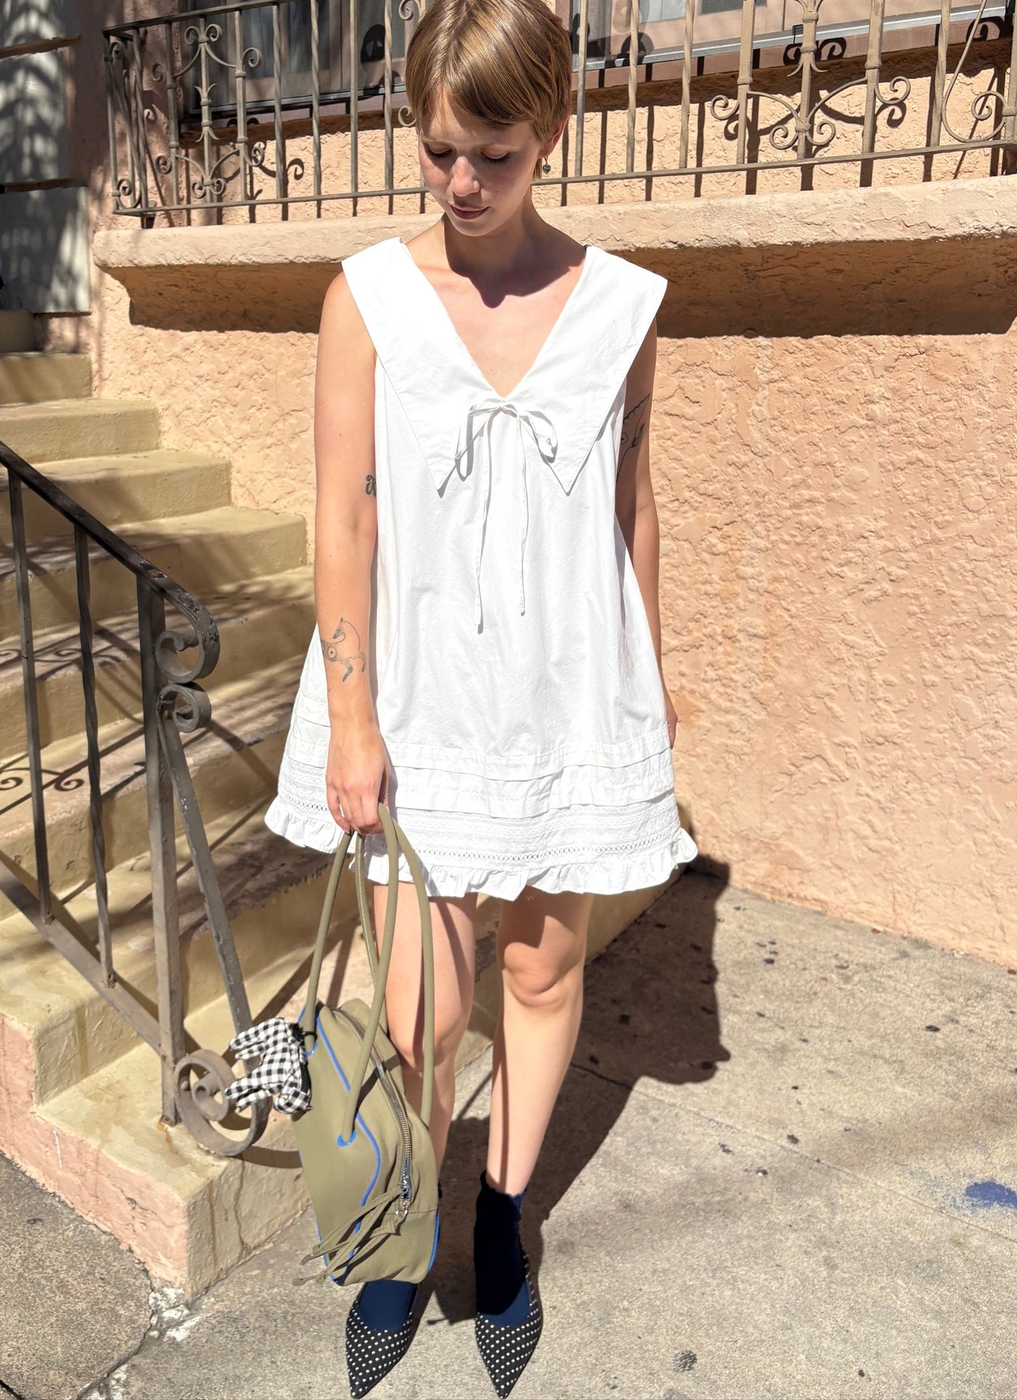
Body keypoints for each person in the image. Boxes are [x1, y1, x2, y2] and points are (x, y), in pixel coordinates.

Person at [265, 0, 698, 1391]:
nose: (460, 181)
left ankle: (503, 1226)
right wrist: (348, 720)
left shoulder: (621, 308)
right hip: (419, 700)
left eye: (493, 154)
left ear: (553, 130)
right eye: (439, 148)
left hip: (571, 691)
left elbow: (630, 509)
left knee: (543, 968)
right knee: (420, 1010)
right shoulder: (367, 300)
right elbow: (341, 519)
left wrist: (649, 674)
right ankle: (401, 1236)